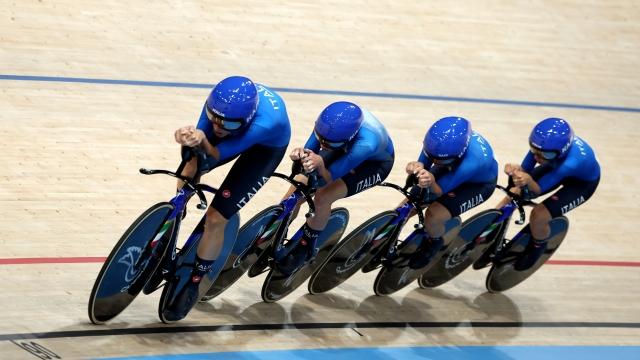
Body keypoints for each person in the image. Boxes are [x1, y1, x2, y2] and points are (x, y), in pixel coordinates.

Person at [167, 75, 291, 320]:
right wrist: (184, 136)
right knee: (192, 160)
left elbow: (214, 155)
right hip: (237, 120)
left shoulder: (265, 123)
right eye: (214, 120)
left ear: (245, 120)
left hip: (264, 150)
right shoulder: (220, 107)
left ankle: (196, 280)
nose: (219, 128)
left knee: (215, 218)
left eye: (229, 126)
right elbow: (198, 147)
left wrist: (205, 139)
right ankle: (175, 211)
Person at [280, 101, 395, 274]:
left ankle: (306, 247)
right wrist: (301, 156)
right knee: (299, 185)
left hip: (374, 164)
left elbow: (327, 178)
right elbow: (308, 158)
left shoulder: (366, 144)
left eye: (328, 144)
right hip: (342, 144)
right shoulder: (326, 126)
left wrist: (320, 165)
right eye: (321, 140)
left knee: (323, 196)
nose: (324, 145)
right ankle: (278, 230)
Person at [498, 117, 600, 271]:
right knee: (515, 191)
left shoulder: (571, 163)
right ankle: (494, 219)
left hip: (580, 184)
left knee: (539, 215)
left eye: (544, 155)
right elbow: (524, 171)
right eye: (534, 151)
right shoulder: (544, 147)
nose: (537, 158)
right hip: (556, 165)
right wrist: (514, 172)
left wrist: (526, 179)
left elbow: (537, 189)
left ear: (561, 151)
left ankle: (537, 248)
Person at [406, 116, 498, 269]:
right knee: (410, 203)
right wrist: (417, 166)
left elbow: (439, 191)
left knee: (434, 214)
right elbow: (425, 163)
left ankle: (435, 242)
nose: (434, 162)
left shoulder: (474, 161)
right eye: (431, 156)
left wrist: (431, 181)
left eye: (439, 160)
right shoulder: (438, 146)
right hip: (452, 165)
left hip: (478, 185)